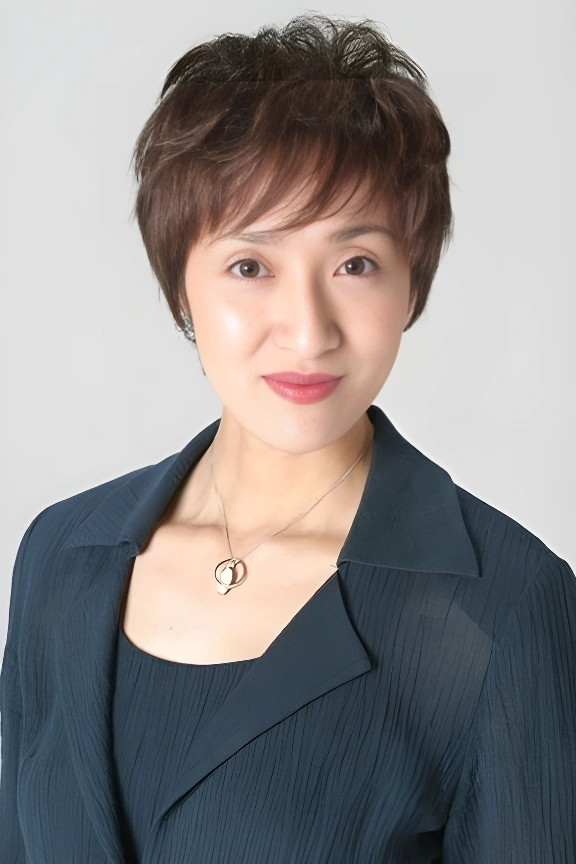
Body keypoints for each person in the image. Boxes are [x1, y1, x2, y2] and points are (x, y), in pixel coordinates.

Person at [1, 12, 575, 864]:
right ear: (181, 288)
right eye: (250, 266)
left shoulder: (506, 610)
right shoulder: (60, 555)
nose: (307, 331)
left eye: (355, 264)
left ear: (412, 284)